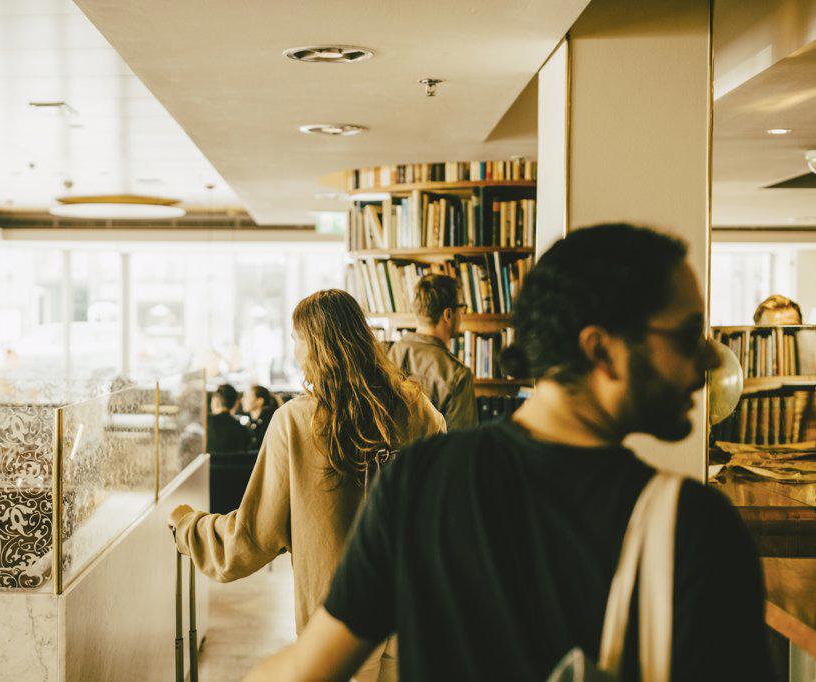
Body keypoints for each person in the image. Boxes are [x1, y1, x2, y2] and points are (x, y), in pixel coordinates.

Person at [246, 224, 774, 681]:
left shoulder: (420, 480)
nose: (709, 358)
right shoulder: (692, 526)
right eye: (687, 336)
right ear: (600, 350)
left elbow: (311, 668)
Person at [169, 289, 445, 682]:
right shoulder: (421, 411)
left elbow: (251, 537)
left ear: (315, 347)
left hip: (338, 625)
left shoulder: (295, 423)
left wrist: (189, 527)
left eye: (297, 340)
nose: (295, 351)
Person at [387, 273, 477, 431]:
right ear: (448, 314)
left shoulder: (387, 355)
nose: (462, 314)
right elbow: (461, 445)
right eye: (462, 308)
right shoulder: (457, 374)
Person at [206, 383, 252, 454]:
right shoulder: (243, 431)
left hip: (211, 464)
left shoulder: (205, 424)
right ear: (236, 404)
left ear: (215, 402)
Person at [241, 384, 282, 450]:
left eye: (247, 397)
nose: (242, 400)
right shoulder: (249, 421)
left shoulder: (270, 422)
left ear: (259, 401)